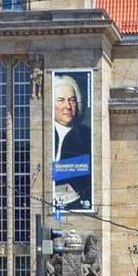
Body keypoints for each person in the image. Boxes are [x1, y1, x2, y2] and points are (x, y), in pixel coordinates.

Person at [49, 73, 92, 210]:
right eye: (61, 100)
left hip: (74, 203)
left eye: (72, 100)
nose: (67, 106)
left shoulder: (87, 136)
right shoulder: (43, 132)